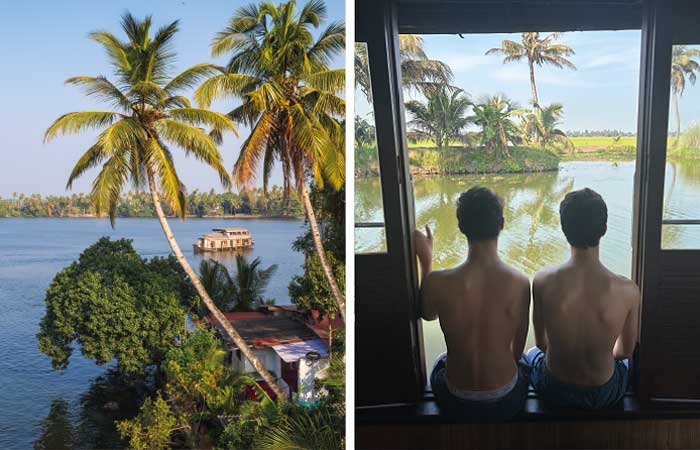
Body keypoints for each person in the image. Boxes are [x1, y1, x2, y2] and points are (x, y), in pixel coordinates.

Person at [414, 186, 531, 420]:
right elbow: (516, 353)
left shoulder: (438, 282)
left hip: (456, 398)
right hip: (505, 399)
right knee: (529, 360)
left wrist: (426, 262)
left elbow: (426, 314)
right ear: (502, 224)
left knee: (440, 362)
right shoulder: (519, 282)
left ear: (461, 227)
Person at [528, 188, 640, 410]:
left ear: (564, 229)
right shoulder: (628, 290)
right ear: (604, 229)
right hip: (604, 391)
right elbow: (625, 352)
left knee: (531, 354)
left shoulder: (542, 281)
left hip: (555, 388)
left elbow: (542, 344)